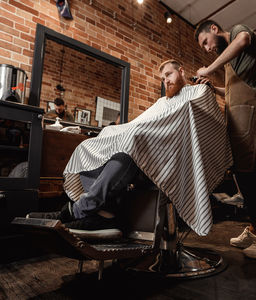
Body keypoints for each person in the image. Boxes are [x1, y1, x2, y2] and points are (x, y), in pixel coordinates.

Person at [27, 60, 232, 238]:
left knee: (126, 153)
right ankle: (104, 215)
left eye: (168, 74)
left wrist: (210, 89)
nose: (166, 81)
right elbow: (143, 125)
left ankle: (74, 212)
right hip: (148, 159)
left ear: (181, 71)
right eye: (162, 78)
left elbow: (207, 129)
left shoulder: (198, 92)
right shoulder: (162, 102)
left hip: (173, 164)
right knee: (90, 148)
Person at [194, 20, 256, 259]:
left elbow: (242, 41)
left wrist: (209, 69)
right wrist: (213, 86)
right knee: (241, 172)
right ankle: (255, 228)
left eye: (206, 42)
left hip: (251, 107)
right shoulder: (230, 60)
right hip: (237, 111)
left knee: (252, 170)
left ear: (214, 29)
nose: (207, 49)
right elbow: (230, 90)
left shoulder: (240, 32)